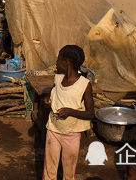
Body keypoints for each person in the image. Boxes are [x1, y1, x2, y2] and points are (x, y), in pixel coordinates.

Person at [42, 45, 94, 180]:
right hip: (53, 130)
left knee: (69, 171)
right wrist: (47, 100)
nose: (56, 64)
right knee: (50, 169)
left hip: (72, 135)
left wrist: (71, 112)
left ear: (66, 63)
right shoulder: (58, 79)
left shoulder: (84, 85)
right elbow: (51, 94)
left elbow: (90, 113)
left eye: (58, 60)